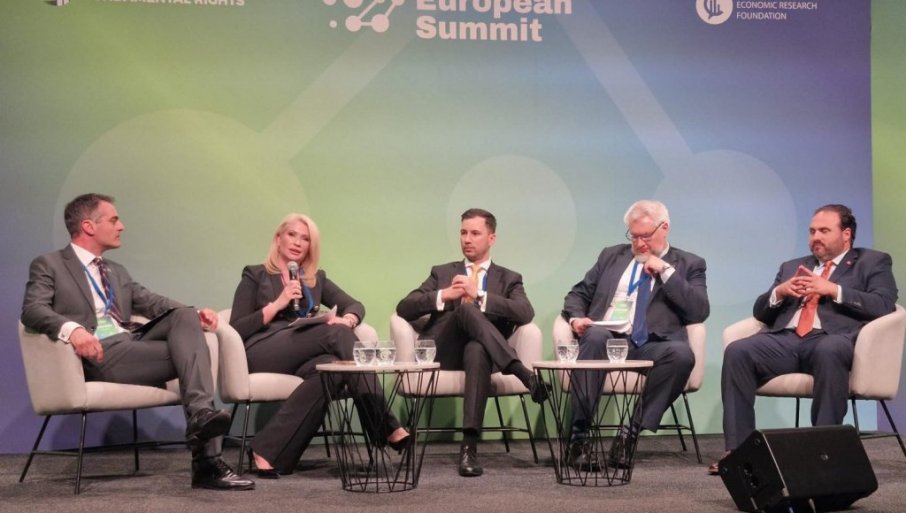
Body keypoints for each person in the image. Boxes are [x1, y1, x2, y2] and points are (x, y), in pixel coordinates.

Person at [21, 193, 253, 491]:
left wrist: (196, 315)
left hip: (132, 343)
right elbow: (32, 309)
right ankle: (207, 462)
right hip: (100, 353)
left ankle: (200, 417)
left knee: (184, 316)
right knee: (196, 354)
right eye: (114, 219)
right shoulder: (50, 264)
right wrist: (73, 330)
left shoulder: (115, 271)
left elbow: (151, 302)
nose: (121, 226)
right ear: (89, 226)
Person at [714, 204, 898, 474]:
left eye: (824, 231)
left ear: (846, 234)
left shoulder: (872, 262)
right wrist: (779, 292)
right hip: (785, 341)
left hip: (832, 338)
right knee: (738, 351)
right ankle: (740, 454)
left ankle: (822, 453)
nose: (815, 237)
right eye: (812, 231)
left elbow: (883, 304)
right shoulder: (792, 266)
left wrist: (833, 289)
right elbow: (760, 313)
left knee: (829, 349)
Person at [229, 213, 409, 477]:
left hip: (300, 354)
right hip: (262, 349)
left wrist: (348, 319)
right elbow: (237, 327)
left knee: (334, 368)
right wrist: (277, 304)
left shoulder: (315, 279)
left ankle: (265, 450)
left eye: (305, 239)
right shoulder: (255, 275)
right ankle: (385, 424)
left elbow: (355, 305)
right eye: (292, 235)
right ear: (278, 238)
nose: (297, 243)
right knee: (335, 334)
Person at [396, 208, 548, 478]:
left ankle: (469, 448)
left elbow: (525, 313)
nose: (467, 239)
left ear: (492, 238)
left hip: (485, 357)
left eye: (475, 233)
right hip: (443, 351)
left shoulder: (509, 278)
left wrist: (479, 294)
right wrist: (444, 294)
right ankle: (523, 373)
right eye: (463, 233)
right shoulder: (442, 272)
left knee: (477, 349)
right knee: (465, 310)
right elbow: (404, 307)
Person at [561, 199, 709, 470]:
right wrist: (576, 318)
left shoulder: (689, 264)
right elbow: (577, 294)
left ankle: (628, 436)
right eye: (634, 236)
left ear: (664, 228)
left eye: (646, 236)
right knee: (594, 336)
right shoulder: (611, 256)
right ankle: (578, 440)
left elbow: (699, 311)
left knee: (681, 355)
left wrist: (665, 271)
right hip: (607, 339)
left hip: (651, 344)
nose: (639, 243)